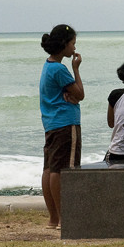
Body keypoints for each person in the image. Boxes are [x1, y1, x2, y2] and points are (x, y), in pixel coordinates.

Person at [39, 24, 84, 228]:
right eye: (73, 43)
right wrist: (76, 69)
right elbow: (80, 94)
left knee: (50, 168)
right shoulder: (60, 69)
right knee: (63, 170)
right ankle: (65, 217)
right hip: (66, 123)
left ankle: (54, 218)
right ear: (64, 44)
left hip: (51, 123)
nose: (74, 48)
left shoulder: (48, 66)